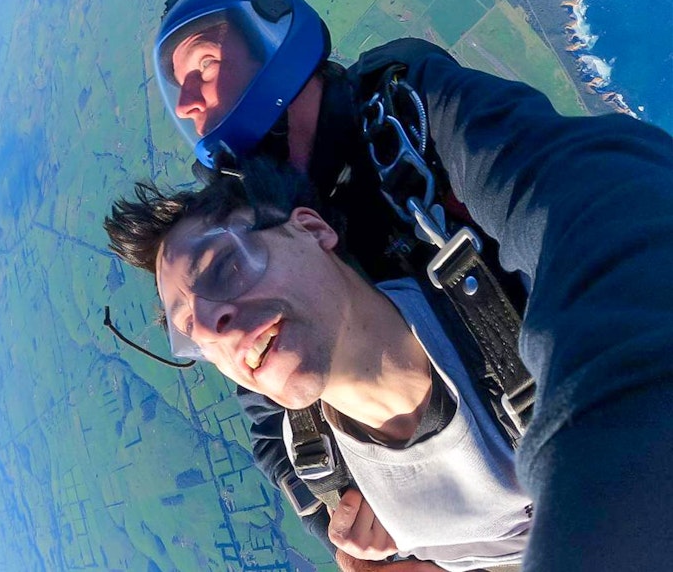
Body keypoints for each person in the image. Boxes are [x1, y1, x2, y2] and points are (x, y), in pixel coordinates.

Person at [148, 0, 673, 570]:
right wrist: (343, 521)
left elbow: (591, 199)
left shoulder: (410, 122)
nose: (188, 104)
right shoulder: (255, 250)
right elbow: (271, 418)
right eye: (177, 91)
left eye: (205, 64)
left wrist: (609, 437)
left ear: (271, 37)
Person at [105, 160, 531, 571]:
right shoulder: (319, 468)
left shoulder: (532, 320)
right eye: (191, 330)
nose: (214, 326)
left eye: (225, 265)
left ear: (311, 229)